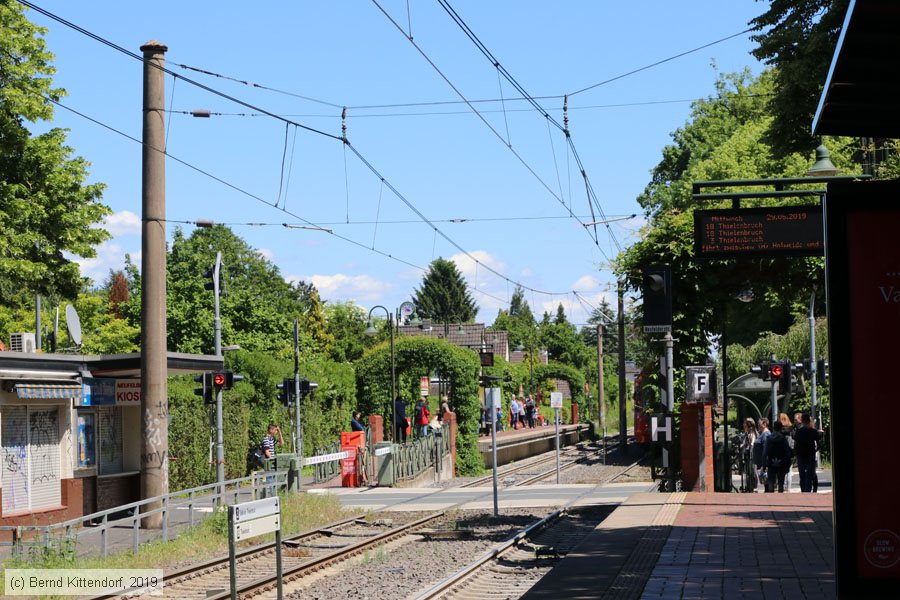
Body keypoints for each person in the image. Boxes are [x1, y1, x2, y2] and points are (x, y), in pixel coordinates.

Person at [763, 420, 792, 493]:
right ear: (781, 428)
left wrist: (764, 464)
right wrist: (788, 464)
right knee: (781, 482)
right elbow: (787, 452)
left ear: (773, 428)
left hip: (771, 461)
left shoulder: (769, 438)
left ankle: (771, 493)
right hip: (781, 462)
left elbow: (765, 452)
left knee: (771, 481)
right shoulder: (783, 438)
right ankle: (780, 495)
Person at [794, 413, 819, 493]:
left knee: (802, 474)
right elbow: (818, 443)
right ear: (809, 420)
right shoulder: (813, 431)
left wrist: (796, 452)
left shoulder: (798, 431)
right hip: (810, 454)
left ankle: (803, 490)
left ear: (802, 421)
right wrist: (815, 450)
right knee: (809, 474)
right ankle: (808, 490)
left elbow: (795, 444)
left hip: (800, 454)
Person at [740, 418, 758, 492]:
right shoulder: (746, 434)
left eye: (746, 424)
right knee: (747, 471)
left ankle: (754, 486)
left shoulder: (753, 434)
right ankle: (748, 485)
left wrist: (749, 442)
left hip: (752, 454)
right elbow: (744, 443)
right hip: (747, 454)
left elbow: (752, 444)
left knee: (753, 470)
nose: (744, 425)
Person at [753, 418, 770, 491]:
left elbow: (765, 450)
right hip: (760, 461)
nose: (758, 425)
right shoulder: (762, 434)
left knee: (766, 479)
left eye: (759, 424)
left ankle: (768, 493)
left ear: (765, 424)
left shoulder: (766, 434)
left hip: (764, 462)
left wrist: (764, 464)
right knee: (765, 480)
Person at [779, 413, 795, 491]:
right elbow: (794, 441)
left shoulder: (780, 430)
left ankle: (782, 486)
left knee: (782, 470)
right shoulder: (791, 429)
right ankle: (788, 488)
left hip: (781, 452)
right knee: (789, 471)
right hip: (790, 452)